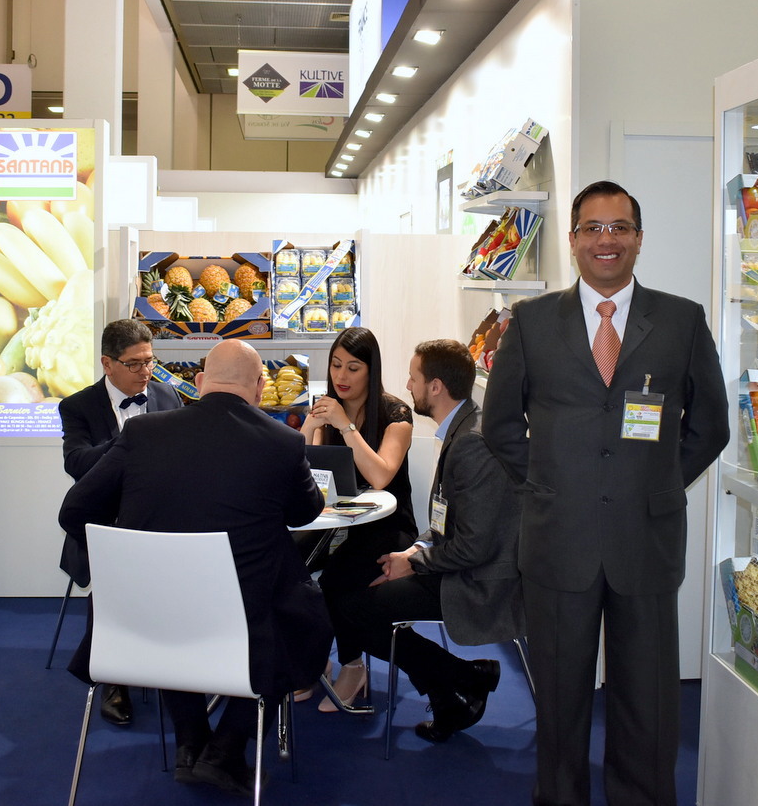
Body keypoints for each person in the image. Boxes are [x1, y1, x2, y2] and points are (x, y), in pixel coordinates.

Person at [483, 180, 730, 806]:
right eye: (593, 228)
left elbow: (711, 425)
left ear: (639, 239)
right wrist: (544, 483)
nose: (606, 239)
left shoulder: (680, 320)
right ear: (572, 240)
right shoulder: (532, 322)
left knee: (647, 701)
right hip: (557, 538)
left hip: (646, 538)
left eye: (619, 227)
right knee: (559, 699)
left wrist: (660, 483)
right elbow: (500, 424)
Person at [58, 340, 328, 795]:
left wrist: (121, 552)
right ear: (259, 387)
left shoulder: (142, 432)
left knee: (174, 611)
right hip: (244, 624)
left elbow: (75, 510)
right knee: (303, 621)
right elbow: (306, 513)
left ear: (200, 382)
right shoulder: (282, 441)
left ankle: (190, 742)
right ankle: (226, 750)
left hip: (140, 619)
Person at [334, 338, 524, 742]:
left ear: (435, 387)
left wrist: (414, 562)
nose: (408, 385)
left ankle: (463, 678)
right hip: (459, 563)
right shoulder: (463, 428)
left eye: (414, 378)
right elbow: (444, 521)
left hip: (479, 579)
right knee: (354, 601)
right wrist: (414, 550)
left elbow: (473, 547)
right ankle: (456, 686)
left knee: (356, 610)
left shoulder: (470, 442)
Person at [58, 318, 182, 726]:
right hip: (105, 519)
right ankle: (114, 679)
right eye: (134, 364)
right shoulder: (78, 406)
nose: (145, 371)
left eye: (150, 361)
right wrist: (130, 441)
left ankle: (176, 663)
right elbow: (76, 463)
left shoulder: (168, 395)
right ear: (107, 363)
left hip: (162, 516)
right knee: (117, 574)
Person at [299, 326, 415, 710]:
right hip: (335, 524)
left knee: (336, 581)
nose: (341, 376)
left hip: (388, 527)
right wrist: (310, 427)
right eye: (335, 365)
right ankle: (312, 659)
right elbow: (306, 474)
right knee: (286, 565)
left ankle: (352, 666)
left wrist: (346, 427)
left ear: (371, 370)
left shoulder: (396, 413)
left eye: (353, 368)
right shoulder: (326, 407)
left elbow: (381, 475)